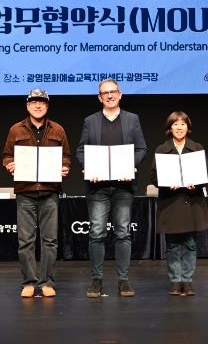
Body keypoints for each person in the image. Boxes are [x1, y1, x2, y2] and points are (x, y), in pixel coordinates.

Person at [76, 78, 148, 298]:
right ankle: (96, 281)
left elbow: (142, 149)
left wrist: (130, 165)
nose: (109, 95)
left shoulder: (132, 119)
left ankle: (123, 281)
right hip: (97, 188)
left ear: (120, 94)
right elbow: (81, 151)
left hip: (123, 187)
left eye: (113, 91)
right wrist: (89, 167)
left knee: (123, 233)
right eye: (105, 93)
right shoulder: (90, 121)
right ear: (99, 97)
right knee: (97, 233)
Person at [2, 89, 71, 298]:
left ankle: (47, 282)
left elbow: (66, 156)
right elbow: (7, 156)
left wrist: (65, 167)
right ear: (27, 105)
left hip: (50, 191)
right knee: (26, 240)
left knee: (50, 240)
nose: (38, 105)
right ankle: (29, 282)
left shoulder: (58, 129)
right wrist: (10, 164)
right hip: (25, 191)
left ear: (47, 106)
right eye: (34, 102)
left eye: (42, 102)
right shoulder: (16, 129)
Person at [149, 110, 208, 296]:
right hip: (171, 202)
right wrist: (167, 183)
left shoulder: (197, 148)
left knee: (191, 244)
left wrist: (196, 183)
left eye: (182, 124)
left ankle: (187, 280)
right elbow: (153, 177)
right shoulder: (162, 149)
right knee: (173, 245)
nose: (179, 127)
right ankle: (175, 281)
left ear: (188, 127)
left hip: (192, 202)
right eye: (175, 124)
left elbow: (207, 174)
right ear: (170, 128)